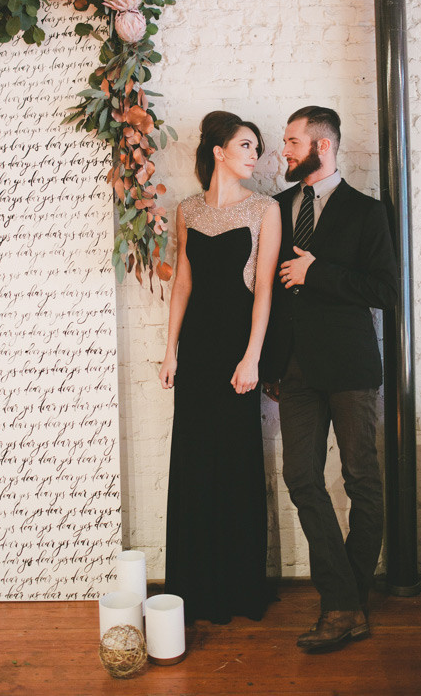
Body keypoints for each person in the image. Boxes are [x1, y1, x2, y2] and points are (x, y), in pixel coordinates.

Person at [261, 105, 398, 651]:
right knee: (302, 479)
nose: (283, 152)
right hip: (292, 371)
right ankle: (346, 602)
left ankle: (346, 602)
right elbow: (267, 293)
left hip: (349, 367)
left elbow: (384, 292)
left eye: (292, 142)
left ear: (322, 146)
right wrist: (269, 363)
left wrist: (320, 272)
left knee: (363, 480)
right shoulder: (276, 207)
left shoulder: (368, 212)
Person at [159, 110, 281, 625]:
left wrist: (252, 355)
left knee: (233, 460)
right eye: (247, 146)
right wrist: (170, 349)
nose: (256, 156)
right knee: (194, 459)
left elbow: (265, 290)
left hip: (237, 350)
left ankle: (237, 589)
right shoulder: (187, 209)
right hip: (197, 351)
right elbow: (182, 281)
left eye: (258, 147)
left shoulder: (265, 209)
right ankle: (194, 588)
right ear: (219, 152)